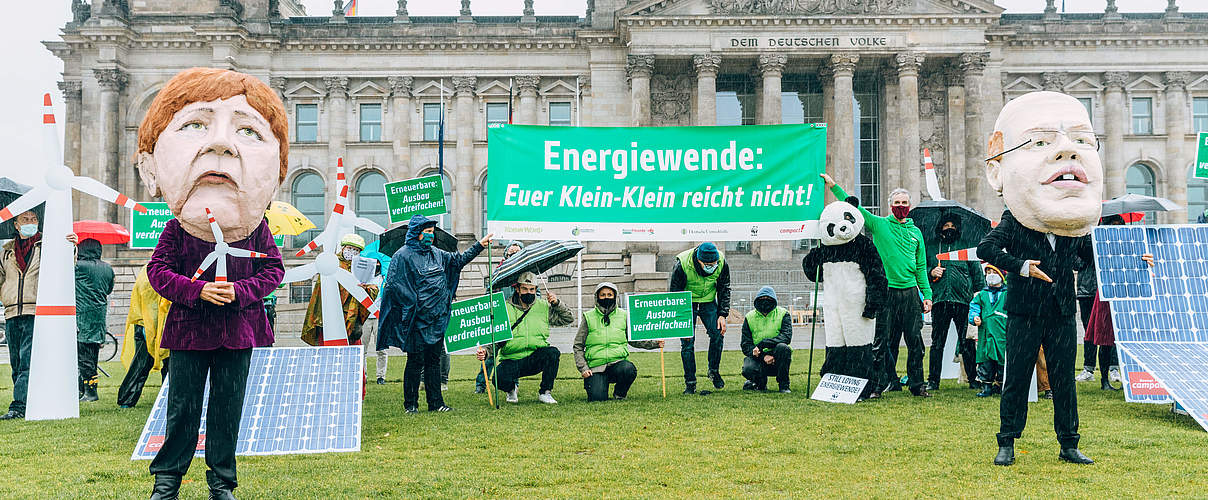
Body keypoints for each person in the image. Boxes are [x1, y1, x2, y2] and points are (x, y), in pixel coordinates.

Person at [136, 67, 288, 499]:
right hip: (189, 333)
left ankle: (222, 483)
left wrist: (239, 292)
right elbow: (158, 272)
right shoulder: (177, 230)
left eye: (247, 131)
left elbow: (273, 271)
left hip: (238, 333)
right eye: (196, 125)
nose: (221, 145)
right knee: (181, 409)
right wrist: (198, 290)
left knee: (227, 411)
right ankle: (167, 480)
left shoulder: (257, 231)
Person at [978, 90, 1112, 466]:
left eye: (1083, 141)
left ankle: (1069, 443)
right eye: (1040, 141)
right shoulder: (1015, 221)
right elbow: (986, 250)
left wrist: (1131, 260)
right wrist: (1021, 266)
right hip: (1023, 313)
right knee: (1017, 378)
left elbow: (1090, 258)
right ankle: (1007, 441)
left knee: (1064, 381)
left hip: (1060, 312)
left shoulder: (1073, 229)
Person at [823, 174, 934, 398]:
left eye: (904, 203)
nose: (901, 207)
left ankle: (917, 384)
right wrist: (833, 185)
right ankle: (877, 385)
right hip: (886, 291)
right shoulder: (880, 225)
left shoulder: (916, 233)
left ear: (909, 206)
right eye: (897, 203)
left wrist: (927, 294)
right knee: (880, 342)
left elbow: (921, 266)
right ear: (891, 206)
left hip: (911, 293)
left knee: (915, 342)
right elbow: (856, 208)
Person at [377, 214, 489, 413]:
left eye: (431, 232)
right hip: (416, 320)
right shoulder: (402, 256)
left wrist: (479, 245)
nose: (430, 235)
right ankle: (410, 404)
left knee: (434, 362)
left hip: (436, 319)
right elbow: (393, 285)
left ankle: (436, 403)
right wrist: (414, 301)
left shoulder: (437, 254)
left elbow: (458, 261)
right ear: (417, 233)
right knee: (415, 362)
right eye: (427, 232)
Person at [476, 272, 573, 404]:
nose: (529, 292)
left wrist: (557, 303)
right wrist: (486, 352)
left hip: (535, 357)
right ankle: (511, 390)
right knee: (497, 378)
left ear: (536, 290)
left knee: (553, 353)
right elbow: (495, 338)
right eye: (525, 289)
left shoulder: (544, 306)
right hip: (512, 359)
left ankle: (545, 392)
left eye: (532, 289)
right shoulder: (504, 308)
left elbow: (567, 319)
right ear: (517, 289)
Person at [573, 282, 663, 401]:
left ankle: (620, 393)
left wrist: (655, 343)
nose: (606, 297)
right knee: (597, 398)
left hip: (618, 364)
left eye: (610, 294)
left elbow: (634, 339)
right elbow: (578, 345)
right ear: (597, 297)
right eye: (603, 295)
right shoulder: (588, 317)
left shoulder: (624, 315)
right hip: (595, 367)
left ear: (615, 296)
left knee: (628, 369)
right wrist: (583, 368)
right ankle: (595, 385)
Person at [926, 214, 984, 391]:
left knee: (966, 342)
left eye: (952, 225)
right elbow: (922, 271)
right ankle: (933, 380)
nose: (949, 228)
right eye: (946, 225)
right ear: (940, 227)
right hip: (940, 300)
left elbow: (976, 273)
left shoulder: (966, 245)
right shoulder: (932, 247)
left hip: (963, 301)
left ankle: (973, 379)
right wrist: (931, 272)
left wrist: (978, 297)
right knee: (937, 343)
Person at [0, 210, 48, 420]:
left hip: (34, 310)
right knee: (16, 362)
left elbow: (65, 266)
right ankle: (28, 401)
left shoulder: (46, 246)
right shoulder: (6, 251)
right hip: (12, 311)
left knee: (27, 360)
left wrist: (71, 247)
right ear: (16, 225)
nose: (30, 223)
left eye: (34, 219)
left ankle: (19, 405)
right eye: (25, 220)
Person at [669, 241, 731, 394]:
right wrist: (681, 320)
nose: (712, 266)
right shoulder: (682, 264)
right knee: (688, 342)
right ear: (698, 260)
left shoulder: (722, 262)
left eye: (714, 263)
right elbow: (675, 293)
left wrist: (722, 314)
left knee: (718, 334)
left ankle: (713, 371)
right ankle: (690, 382)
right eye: (708, 264)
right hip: (686, 303)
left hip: (708, 302)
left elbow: (724, 288)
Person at [301, 233, 378, 346]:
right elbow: (322, 289)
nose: (352, 252)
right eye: (349, 248)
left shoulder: (362, 266)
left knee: (351, 352)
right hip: (330, 316)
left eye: (356, 250)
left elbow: (372, 287)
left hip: (352, 317)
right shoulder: (330, 264)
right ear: (343, 248)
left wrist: (365, 288)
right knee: (329, 350)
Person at [1075, 215, 1125, 385]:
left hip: (1109, 291)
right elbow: (1075, 259)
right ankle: (1088, 368)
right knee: (1089, 332)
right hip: (1087, 290)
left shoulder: (1120, 245)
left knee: (1110, 333)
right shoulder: (1088, 239)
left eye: (1119, 226)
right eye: (1112, 226)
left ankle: (1113, 368)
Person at [117, 265, 172, 408]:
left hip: (143, 325)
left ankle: (126, 399)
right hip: (161, 327)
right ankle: (168, 398)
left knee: (140, 365)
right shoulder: (167, 270)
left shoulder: (145, 270)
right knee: (170, 365)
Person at [476, 240, 525, 393]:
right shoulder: (498, 273)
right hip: (498, 319)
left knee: (513, 355)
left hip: (517, 321)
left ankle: (513, 385)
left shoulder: (525, 274)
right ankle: (481, 383)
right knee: (490, 354)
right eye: (511, 253)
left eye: (517, 253)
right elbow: (487, 296)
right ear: (506, 255)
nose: (514, 256)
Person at [74, 238, 114, 403]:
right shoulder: (107, 268)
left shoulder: (78, 267)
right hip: (98, 318)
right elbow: (109, 288)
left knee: (83, 358)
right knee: (91, 356)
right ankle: (85, 389)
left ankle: (90, 392)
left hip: (82, 317)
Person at [739, 286, 794, 393]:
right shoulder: (749, 317)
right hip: (759, 357)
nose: (765, 302)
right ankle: (759, 383)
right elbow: (745, 344)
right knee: (748, 368)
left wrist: (764, 344)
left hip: (778, 357)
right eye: (762, 299)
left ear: (774, 301)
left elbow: (786, 337)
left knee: (783, 348)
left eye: (768, 299)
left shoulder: (784, 314)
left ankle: (784, 385)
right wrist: (763, 356)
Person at [970, 265, 1008, 397]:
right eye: (988, 272)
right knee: (986, 362)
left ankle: (1002, 385)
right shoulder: (982, 294)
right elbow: (974, 306)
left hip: (1002, 334)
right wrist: (974, 317)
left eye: (994, 272)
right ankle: (986, 386)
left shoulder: (1007, 293)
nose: (991, 275)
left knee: (1003, 361)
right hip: (986, 334)